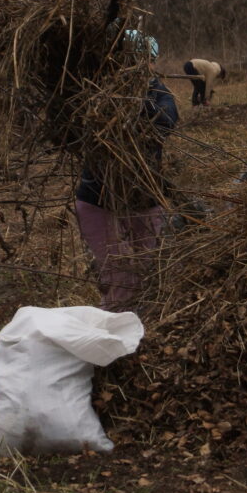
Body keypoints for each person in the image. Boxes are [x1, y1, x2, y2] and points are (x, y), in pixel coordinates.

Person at [74, 48, 178, 312]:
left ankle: (141, 327)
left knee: (145, 268)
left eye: (147, 60)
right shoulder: (94, 91)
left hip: (143, 195)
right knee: (118, 273)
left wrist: (133, 103)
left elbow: (165, 120)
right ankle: (116, 332)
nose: (139, 66)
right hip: (96, 197)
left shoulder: (159, 95)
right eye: (128, 60)